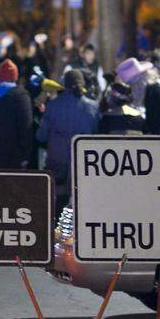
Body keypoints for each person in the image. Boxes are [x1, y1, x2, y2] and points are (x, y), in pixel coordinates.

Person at [38, 68, 99, 215]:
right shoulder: (93, 107)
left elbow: (41, 136)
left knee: (59, 202)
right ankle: (74, 235)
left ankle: (58, 235)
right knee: (80, 203)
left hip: (57, 161)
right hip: (83, 165)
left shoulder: (53, 105)